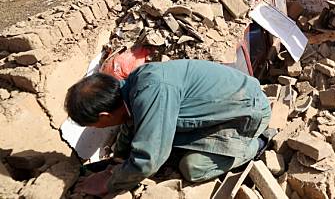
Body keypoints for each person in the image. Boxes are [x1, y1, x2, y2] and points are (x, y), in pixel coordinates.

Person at [65, 59, 272, 196]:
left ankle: (256, 143)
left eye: (93, 124)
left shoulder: (152, 90)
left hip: (246, 113)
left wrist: (107, 183)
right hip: (222, 110)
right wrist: (118, 159)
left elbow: (149, 160)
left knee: (193, 168)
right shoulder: (131, 91)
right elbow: (132, 124)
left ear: (104, 115)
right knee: (163, 144)